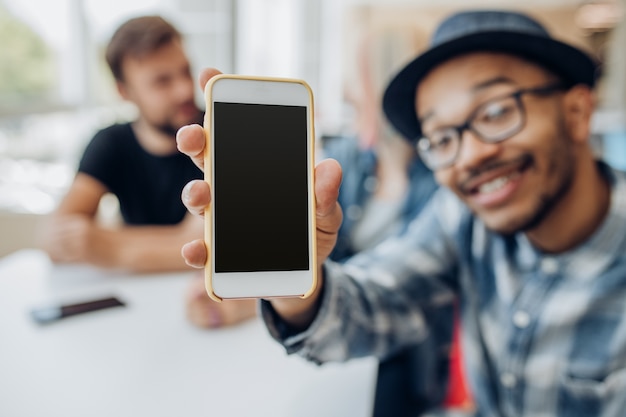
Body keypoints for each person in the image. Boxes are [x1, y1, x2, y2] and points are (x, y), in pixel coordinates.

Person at [178, 9, 626, 416]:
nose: (469, 155)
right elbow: (378, 301)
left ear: (576, 111)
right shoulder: (465, 217)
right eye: (442, 137)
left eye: (495, 112)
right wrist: (293, 281)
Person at [38, 15, 204, 273]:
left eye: (185, 71)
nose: (184, 90)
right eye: (162, 81)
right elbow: (56, 238)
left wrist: (109, 246)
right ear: (124, 92)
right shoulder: (110, 143)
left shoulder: (219, 131)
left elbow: (204, 243)